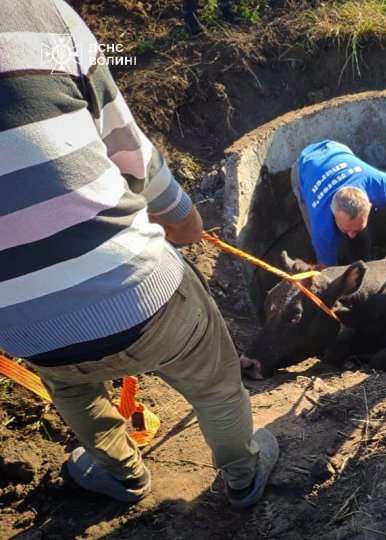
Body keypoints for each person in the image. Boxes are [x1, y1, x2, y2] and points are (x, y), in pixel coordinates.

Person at [0, 0, 277, 506]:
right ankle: (243, 474)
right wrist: (184, 220)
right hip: (136, 288)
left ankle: (122, 475)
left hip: (27, 330)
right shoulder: (40, 16)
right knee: (215, 379)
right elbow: (129, 149)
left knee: (73, 388)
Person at [291, 140, 386, 267]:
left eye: (358, 227)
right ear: (332, 211)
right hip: (304, 167)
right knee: (327, 245)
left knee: (361, 240)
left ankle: (364, 261)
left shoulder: (377, 185)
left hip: (337, 150)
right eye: (345, 228)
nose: (351, 235)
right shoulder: (322, 230)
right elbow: (325, 273)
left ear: (370, 204)